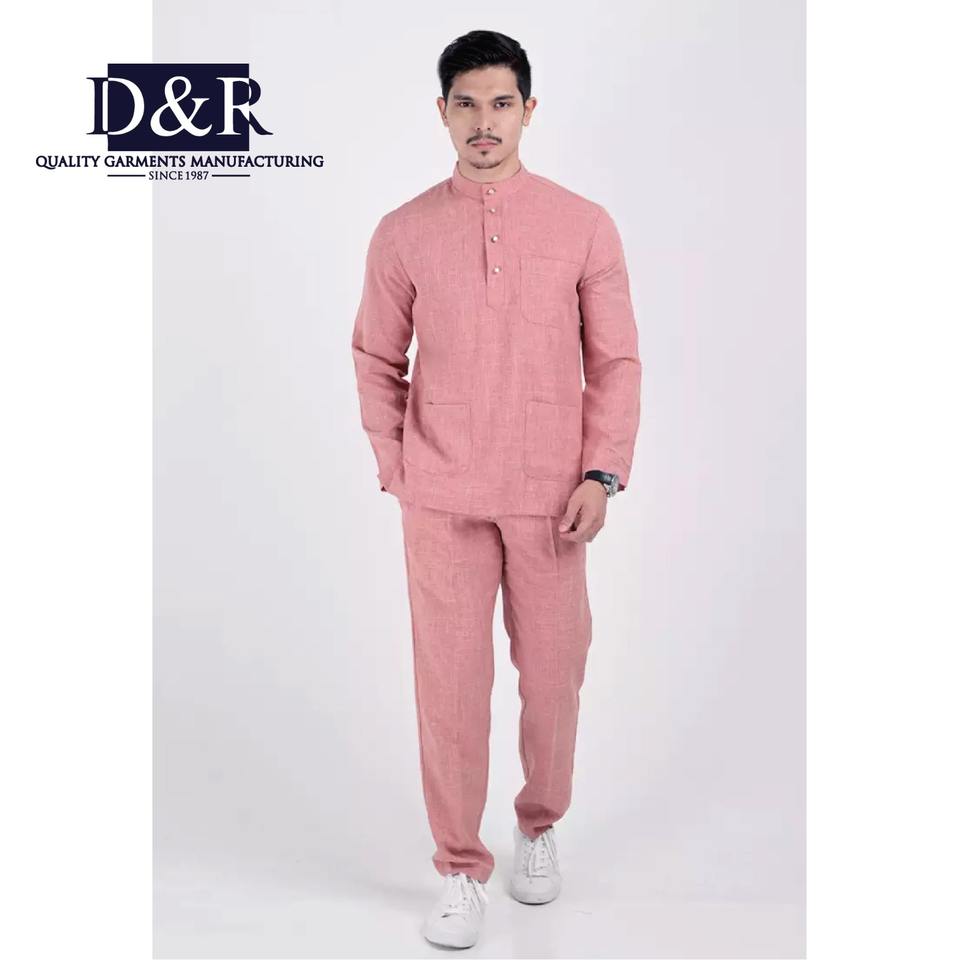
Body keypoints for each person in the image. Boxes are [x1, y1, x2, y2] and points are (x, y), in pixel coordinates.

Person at [351, 29, 642, 949]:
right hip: (441, 496)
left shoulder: (583, 223)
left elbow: (616, 360)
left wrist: (601, 471)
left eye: (501, 103)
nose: (485, 122)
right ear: (442, 112)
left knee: (554, 677)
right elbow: (374, 357)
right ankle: (458, 867)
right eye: (467, 104)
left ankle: (538, 825)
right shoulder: (403, 231)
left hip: (553, 496)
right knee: (450, 688)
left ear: (529, 110)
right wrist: (399, 464)